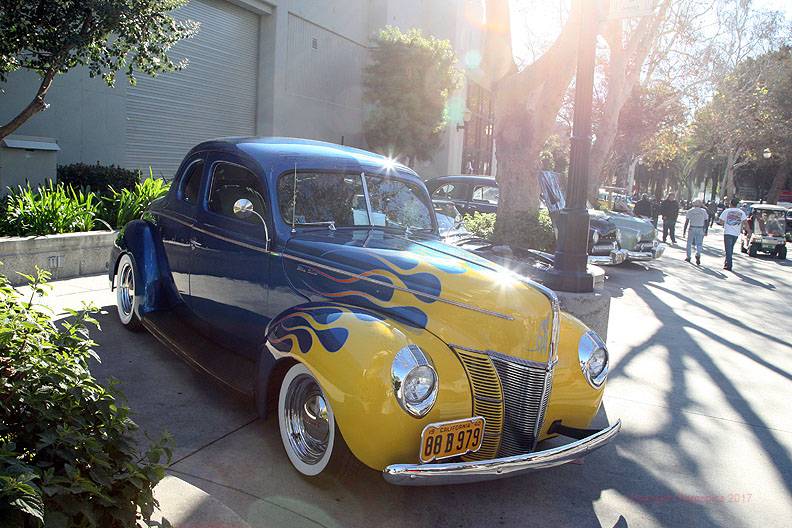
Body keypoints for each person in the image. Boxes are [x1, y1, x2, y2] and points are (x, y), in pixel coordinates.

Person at [717, 197, 748, 271]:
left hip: (728, 232)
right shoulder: (741, 212)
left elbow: (720, 221)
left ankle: (729, 265)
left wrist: (725, 223)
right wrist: (749, 231)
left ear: (730, 204)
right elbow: (745, 222)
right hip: (736, 234)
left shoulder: (727, 211)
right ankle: (726, 263)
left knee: (728, 249)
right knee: (730, 249)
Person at [684, 199, 709, 265]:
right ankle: (698, 254)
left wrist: (684, 230)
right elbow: (706, 221)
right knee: (699, 243)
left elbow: (687, 221)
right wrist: (706, 230)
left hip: (692, 227)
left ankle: (688, 257)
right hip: (700, 228)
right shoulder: (703, 211)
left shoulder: (690, 211)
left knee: (689, 243)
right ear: (700, 204)